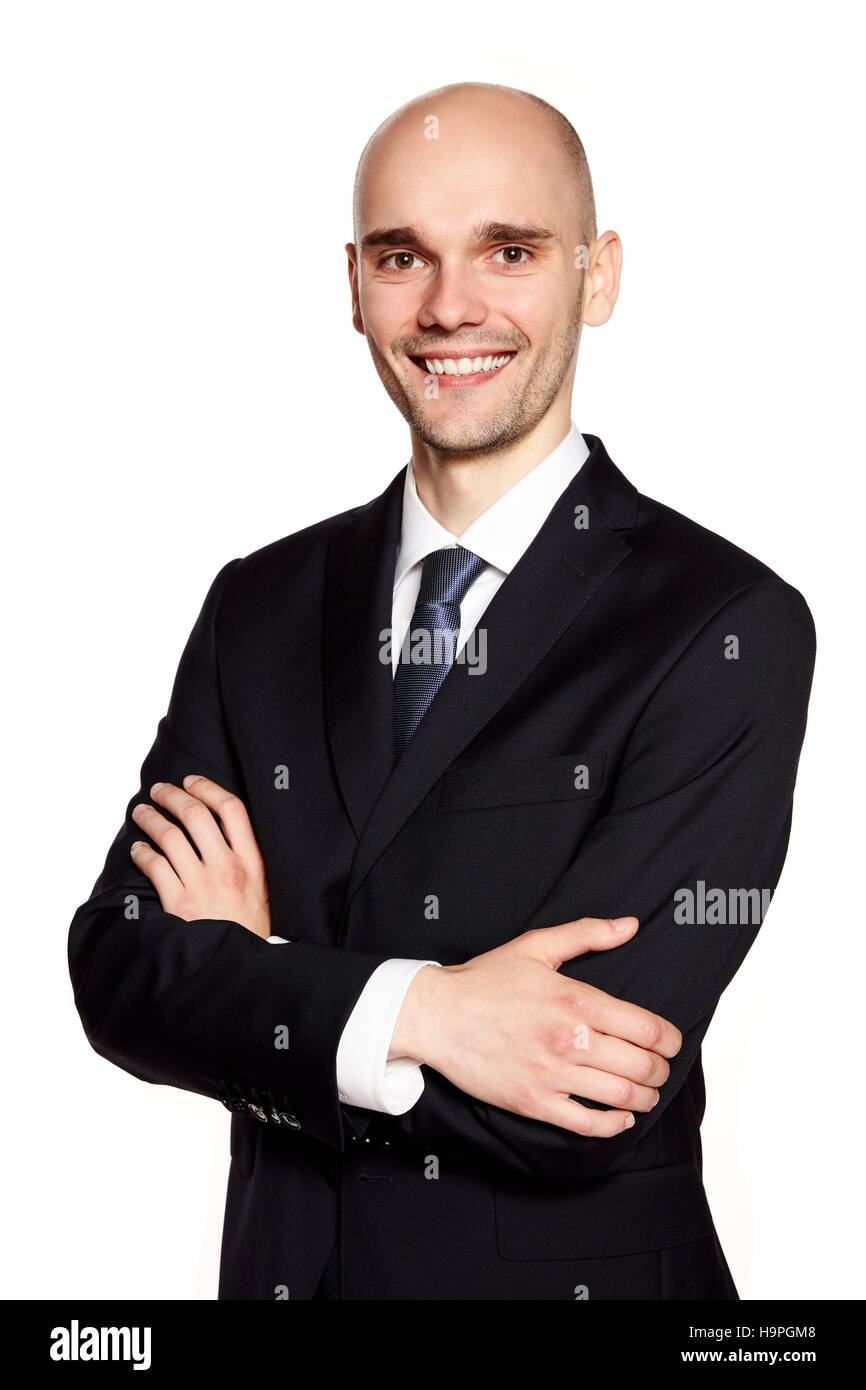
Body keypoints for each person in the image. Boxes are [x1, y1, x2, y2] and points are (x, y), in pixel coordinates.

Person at [68, 82, 815, 1300]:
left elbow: (575, 1090)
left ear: (597, 275)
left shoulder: (720, 626)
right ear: (352, 284)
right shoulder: (255, 605)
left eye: (508, 250)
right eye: (402, 256)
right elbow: (119, 973)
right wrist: (431, 1013)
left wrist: (254, 963)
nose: (450, 306)